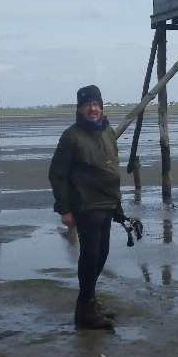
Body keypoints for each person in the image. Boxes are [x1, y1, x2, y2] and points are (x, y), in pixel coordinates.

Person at [48, 84, 123, 330]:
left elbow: (112, 170)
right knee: (90, 257)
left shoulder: (108, 132)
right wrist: (65, 210)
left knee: (102, 255)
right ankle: (86, 308)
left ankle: (87, 305)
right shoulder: (71, 137)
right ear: (79, 109)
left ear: (101, 108)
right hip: (86, 205)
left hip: (107, 203)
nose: (92, 109)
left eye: (96, 104)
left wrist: (118, 205)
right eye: (87, 105)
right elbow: (57, 175)